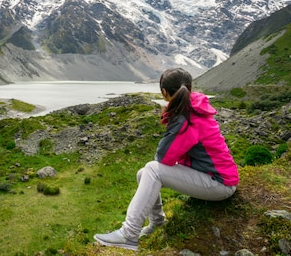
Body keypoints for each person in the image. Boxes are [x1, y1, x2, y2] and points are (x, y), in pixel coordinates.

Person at [93, 68, 239, 251]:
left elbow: (163, 158)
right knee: (144, 173)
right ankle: (157, 222)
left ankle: (128, 234)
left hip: (220, 184)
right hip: (214, 176)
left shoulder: (185, 118)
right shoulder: (193, 108)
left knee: (153, 169)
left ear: (164, 92)